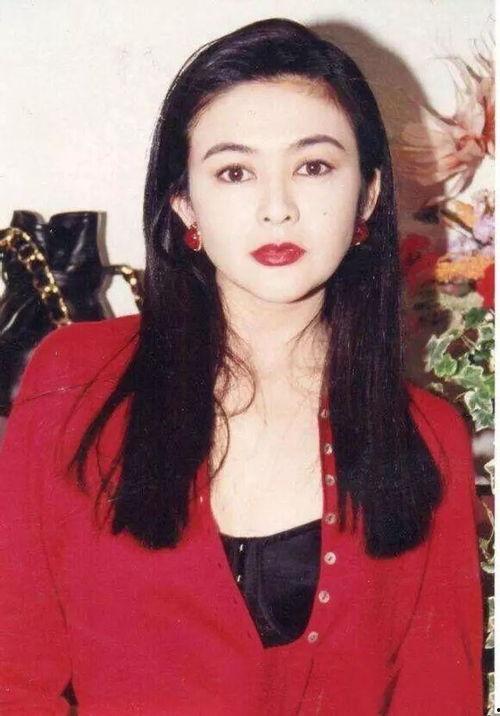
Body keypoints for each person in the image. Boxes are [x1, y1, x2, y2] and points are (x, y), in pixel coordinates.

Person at [0, 17, 484, 715]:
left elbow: (440, 695)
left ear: (369, 196)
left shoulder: (430, 438)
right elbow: (16, 676)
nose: (276, 209)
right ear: (184, 204)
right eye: (234, 172)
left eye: (313, 167)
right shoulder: (74, 381)